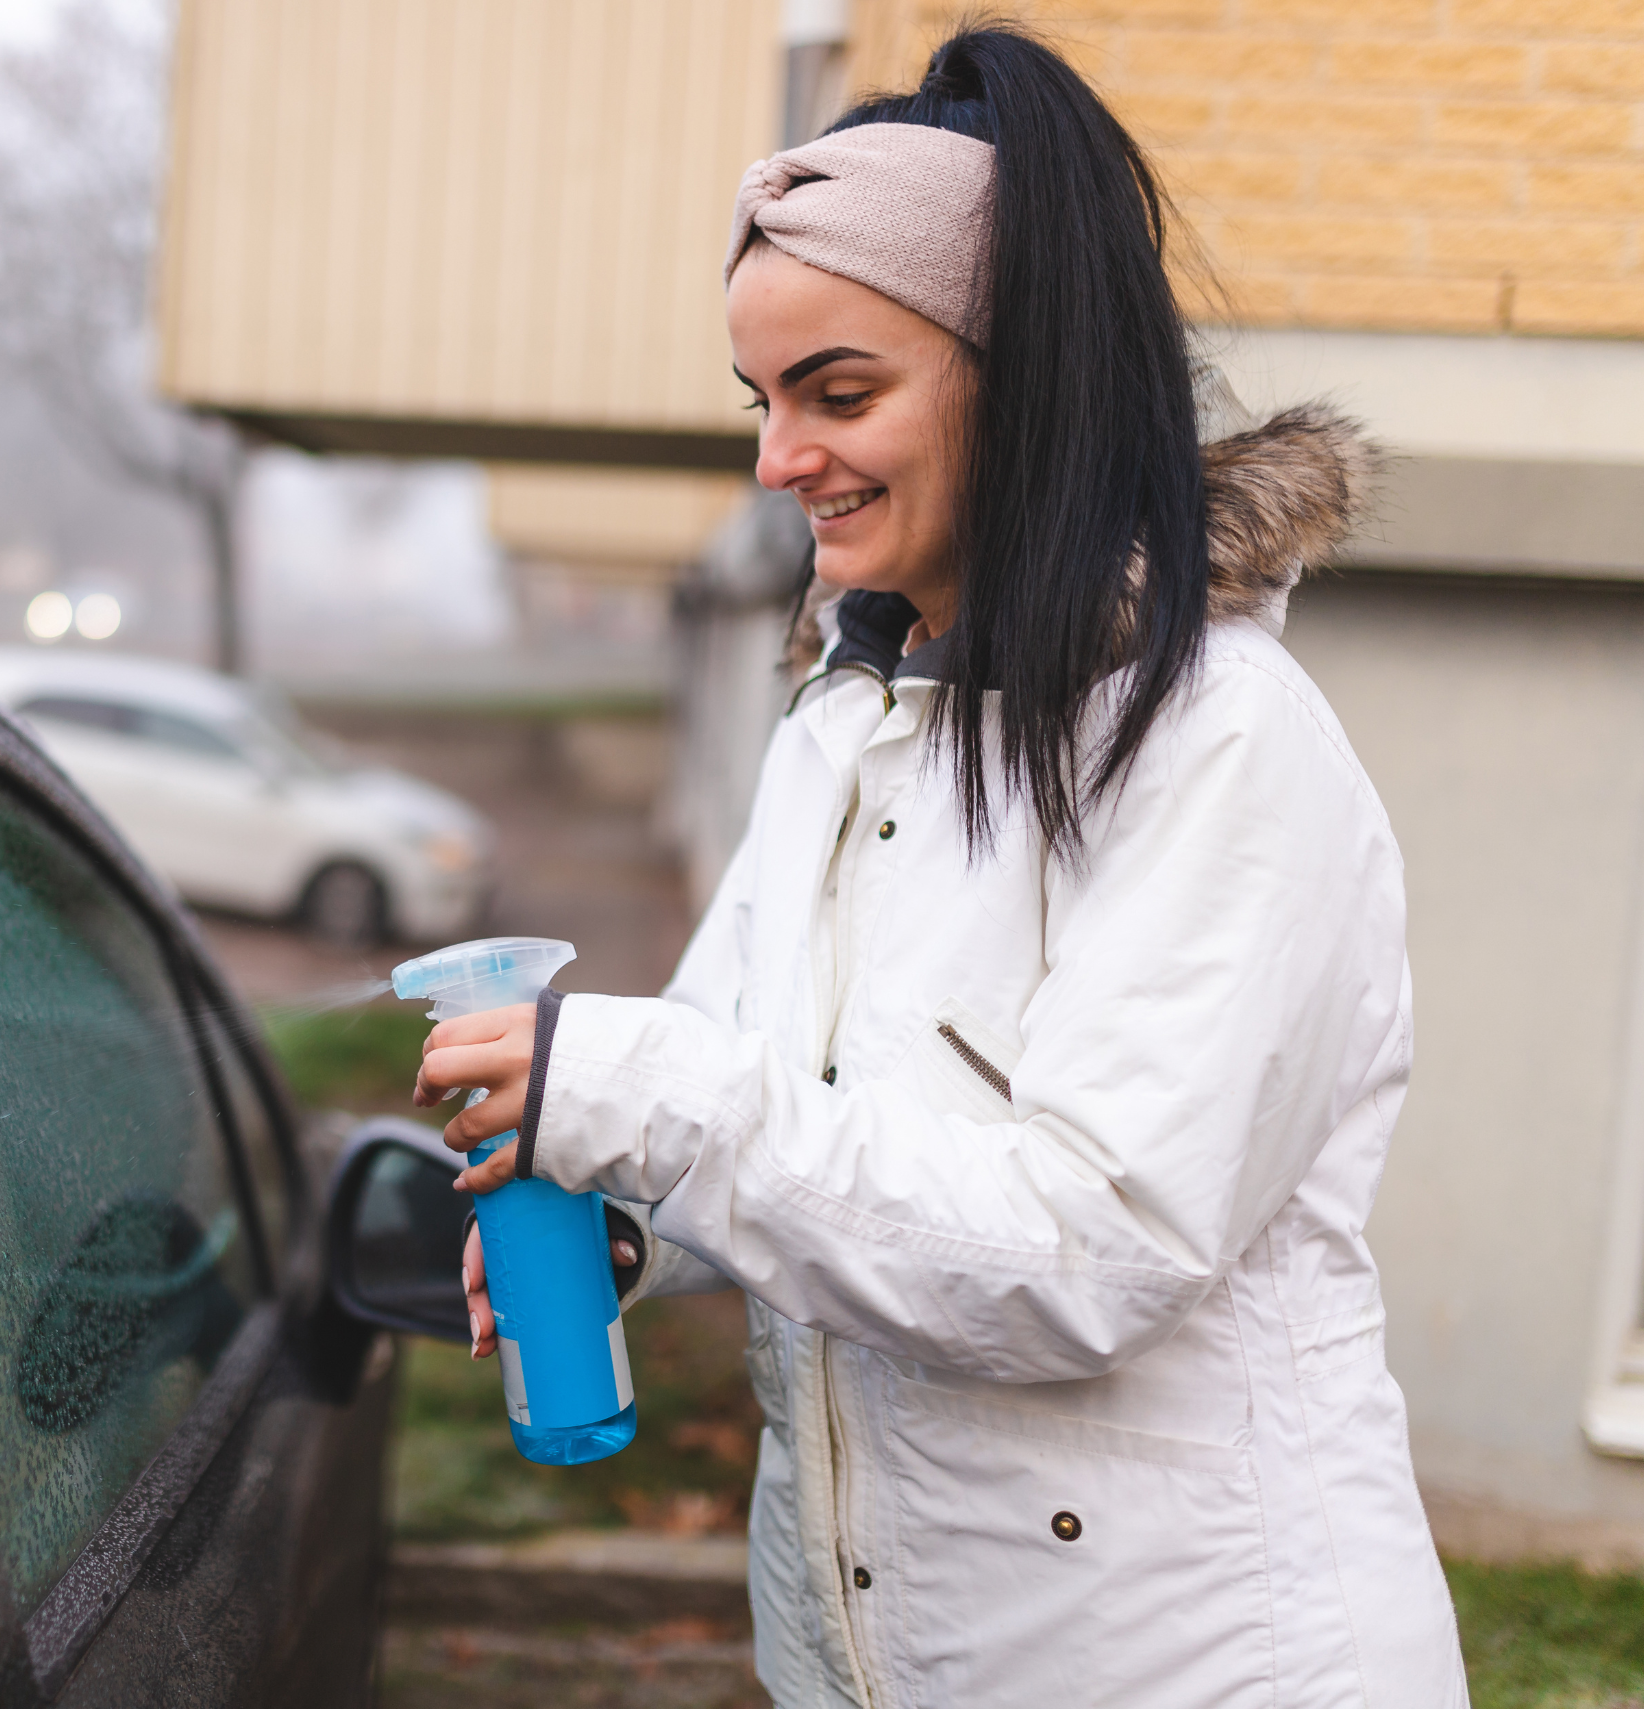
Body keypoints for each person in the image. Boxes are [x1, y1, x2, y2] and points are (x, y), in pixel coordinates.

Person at [416, 25, 1469, 1707]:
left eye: (841, 393)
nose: (777, 460)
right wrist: (630, 1228)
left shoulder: (1221, 744)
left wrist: (645, 1097)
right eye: (763, 403)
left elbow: (1089, 1246)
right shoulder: (839, 725)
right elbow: (764, 1100)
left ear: (1028, 379)